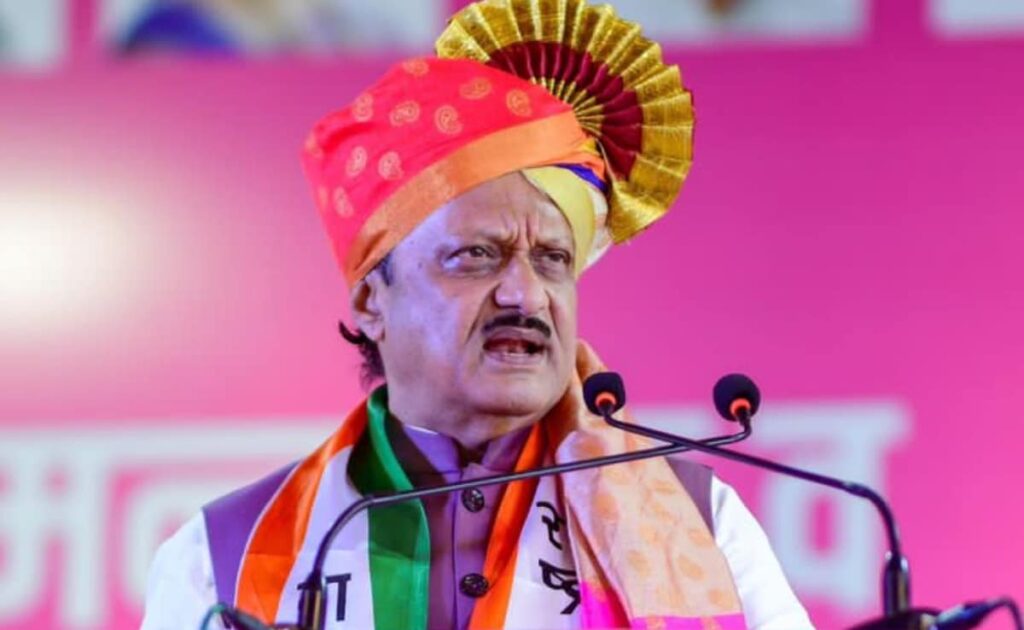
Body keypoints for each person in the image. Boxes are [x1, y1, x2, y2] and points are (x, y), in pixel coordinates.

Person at [142, 1, 813, 628]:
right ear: (373, 301)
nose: (527, 295)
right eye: (477, 256)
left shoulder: (700, 523)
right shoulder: (225, 559)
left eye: (553, 259)